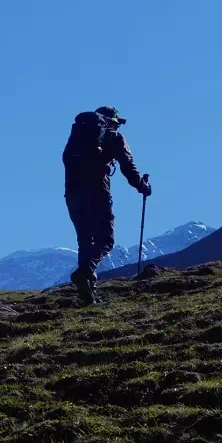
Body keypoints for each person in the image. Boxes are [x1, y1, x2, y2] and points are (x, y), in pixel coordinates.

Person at [62, 106, 152, 304]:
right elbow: (128, 167)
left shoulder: (77, 139)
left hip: (72, 196)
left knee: (85, 241)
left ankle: (88, 295)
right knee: (105, 240)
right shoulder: (113, 138)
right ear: (111, 121)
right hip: (97, 194)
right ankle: (83, 274)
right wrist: (142, 187)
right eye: (117, 123)